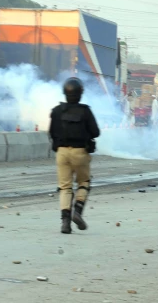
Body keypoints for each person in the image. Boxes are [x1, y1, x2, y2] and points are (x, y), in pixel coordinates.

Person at [49, 77, 100, 234]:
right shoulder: (85, 111)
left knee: (65, 187)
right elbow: (96, 132)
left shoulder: (57, 111)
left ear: (65, 93)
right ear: (80, 94)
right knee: (84, 182)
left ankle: (65, 223)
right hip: (80, 152)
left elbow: (51, 132)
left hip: (62, 153)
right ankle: (77, 211)